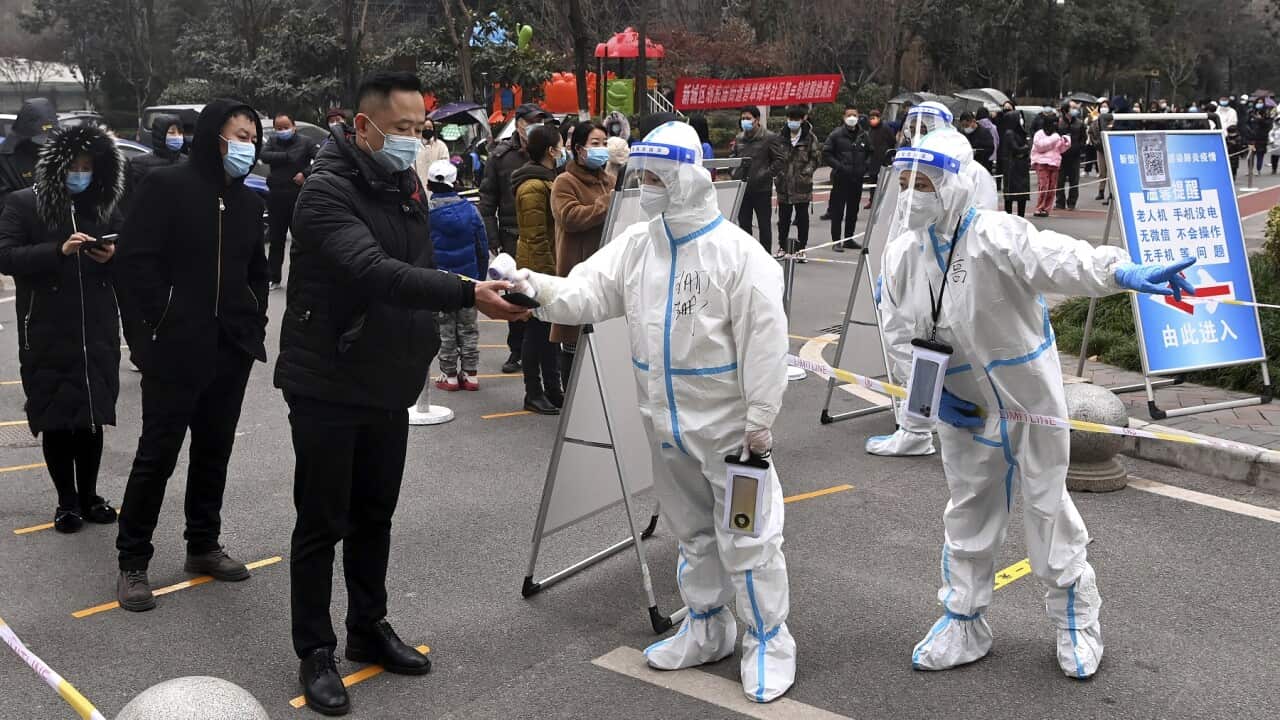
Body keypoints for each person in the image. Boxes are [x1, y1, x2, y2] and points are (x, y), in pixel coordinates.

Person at [879, 132, 1196, 680]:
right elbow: (898, 332)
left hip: (1029, 401)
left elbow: (1058, 257)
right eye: (905, 184)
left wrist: (1122, 272)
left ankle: (1076, 621)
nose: (913, 195)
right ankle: (963, 619)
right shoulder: (905, 251)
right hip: (965, 407)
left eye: (924, 183)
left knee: (1048, 510)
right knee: (968, 511)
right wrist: (926, 397)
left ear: (954, 185)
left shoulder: (992, 235)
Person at [503, 120, 795, 703]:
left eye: (661, 175)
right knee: (690, 532)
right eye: (644, 174)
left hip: (731, 433)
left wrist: (760, 423)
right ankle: (708, 625)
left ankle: (768, 638)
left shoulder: (740, 256)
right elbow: (589, 290)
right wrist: (532, 286)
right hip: (664, 424)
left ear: (691, 177)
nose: (650, 186)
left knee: (748, 536)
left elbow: (766, 342)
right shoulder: (641, 244)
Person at [276, 71, 528, 716]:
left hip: (387, 377)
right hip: (329, 380)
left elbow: (415, 270)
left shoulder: (404, 185)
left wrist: (476, 280)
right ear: (363, 126)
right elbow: (373, 270)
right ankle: (315, 649)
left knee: (374, 515)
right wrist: (467, 292)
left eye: (422, 130)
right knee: (321, 522)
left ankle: (369, 626)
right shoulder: (325, 193)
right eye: (404, 129)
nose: (415, 140)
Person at [111, 99, 269, 612]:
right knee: (158, 453)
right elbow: (135, 266)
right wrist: (154, 331)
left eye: (252, 137)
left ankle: (203, 543)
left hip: (231, 348)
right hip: (174, 349)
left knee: (214, 450)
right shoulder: (166, 187)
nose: (246, 146)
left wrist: (253, 321)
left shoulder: (248, 201)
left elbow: (256, 272)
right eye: (237, 135)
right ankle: (133, 560)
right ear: (210, 137)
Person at [0, 124, 123, 533]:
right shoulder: (23, 204)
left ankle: (89, 496)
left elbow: (131, 253)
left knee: (91, 416)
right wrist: (59, 250)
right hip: (46, 328)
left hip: (97, 327)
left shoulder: (102, 206)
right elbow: (7, 255)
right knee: (56, 416)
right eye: (73, 166)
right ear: (56, 168)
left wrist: (111, 257)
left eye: (88, 167)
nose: (80, 174)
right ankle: (66, 501)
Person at [480, 102, 549, 375]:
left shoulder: (549, 152)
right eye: (531, 121)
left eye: (540, 121)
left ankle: (544, 350)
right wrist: (492, 237)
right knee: (516, 294)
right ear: (518, 123)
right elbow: (487, 201)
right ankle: (517, 350)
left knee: (544, 291)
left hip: (543, 234)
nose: (536, 126)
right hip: (512, 236)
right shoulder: (500, 157)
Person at [551, 120, 615, 383]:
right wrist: (606, 204)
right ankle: (570, 405)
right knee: (574, 342)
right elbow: (570, 218)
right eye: (595, 144)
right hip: (578, 270)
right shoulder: (564, 182)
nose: (601, 149)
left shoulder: (610, 180)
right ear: (579, 149)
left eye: (604, 144)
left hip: (608, 270)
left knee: (603, 343)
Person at [513, 124, 565, 415]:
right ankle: (533, 392)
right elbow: (536, 237)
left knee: (548, 332)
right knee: (536, 332)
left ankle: (553, 388)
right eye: (560, 145)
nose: (562, 150)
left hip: (546, 268)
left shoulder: (545, 179)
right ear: (550, 150)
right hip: (537, 270)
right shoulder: (533, 185)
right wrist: (548, 276)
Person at [425, 159, 488, 392]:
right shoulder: (471, 212)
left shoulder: (425, 213)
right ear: (456, 183)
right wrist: (480, 279)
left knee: (445, 329)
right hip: (468, 280)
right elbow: (482, 247)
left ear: (429, 186)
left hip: (438, 282)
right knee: (469, 327)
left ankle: (449, 375)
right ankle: (470, 374)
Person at [260, 114, 318, 290]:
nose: (282, 131)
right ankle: (273, 277)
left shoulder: (306, 142)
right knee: (276, 239)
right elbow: (264, 155)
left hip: (298, 196)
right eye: (279, 128)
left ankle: (302, 278)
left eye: (285, 127)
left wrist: (305, 173)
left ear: (293, 127)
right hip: (276, 196)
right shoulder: (272, 141)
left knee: (300, 240)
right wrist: (286, 157)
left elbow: (321, 159)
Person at [731, 106, 784, 254]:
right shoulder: (739, 138)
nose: (745, 121)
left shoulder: (769, 137)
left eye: (748, 118)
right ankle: (747, 256)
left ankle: (766, 255)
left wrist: (765, 174)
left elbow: (779, 160)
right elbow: (733, 157)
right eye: (742, 119)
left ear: (757, 119)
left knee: (764, 225)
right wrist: (734, 172)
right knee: (744, 225)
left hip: (762, 189)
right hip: (743, 189)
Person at [774, 105, 821, 261]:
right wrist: (778, 172)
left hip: (802, 184)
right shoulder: (780, 137)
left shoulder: (810, 138)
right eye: (790, 119)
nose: (792, 122)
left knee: (802, 217)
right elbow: (774, 157)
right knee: (784, 218)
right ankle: (782, 246)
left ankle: (801, 249)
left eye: (796, 119)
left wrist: (805, 173)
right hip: (783, 184)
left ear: (803, 119)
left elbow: (816, 159)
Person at [823, 105, 871, 252]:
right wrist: (839, 166)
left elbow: (871, 152)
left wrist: (865, 167)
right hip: (841, 178)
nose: (852, 118)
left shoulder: (863, 135)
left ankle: (848, 239)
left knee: (853, 211)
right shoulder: (836, 135)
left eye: (854, 115)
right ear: (844, 118)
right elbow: (826, 153)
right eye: (849, 115)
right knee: (838, 211)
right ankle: (836, 241)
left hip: (857, 179)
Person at [0, 97, 58, 207]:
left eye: (48, 133)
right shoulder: (6, 158)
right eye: (39, 133)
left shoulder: (55, 153)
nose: (44, 138)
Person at [123, 113, 186, 214]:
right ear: (160, 134)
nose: (177, 137)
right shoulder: (141, 163)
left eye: (180, 133)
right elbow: (133, 199)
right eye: (172, 132)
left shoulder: (186, 162)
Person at [1031, 113, 1069, 217]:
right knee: (1043, 186)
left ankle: (1046, 209)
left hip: (1054, 163)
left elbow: (1060, 150)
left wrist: (1065, 142)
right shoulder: (1039, 133)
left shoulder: (1057, 134)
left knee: (1052, 188)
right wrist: (1054, 139)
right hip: (1041, 163)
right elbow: (1039, 147)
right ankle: (1039, 207)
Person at [999, 107, 1031, 216]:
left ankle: (1021, 216)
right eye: (1019, 118)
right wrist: (1026, 148)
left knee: (1021, 195)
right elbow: (1016, 149)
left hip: (1020, 167)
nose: (1021, 120)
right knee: (1012, 194)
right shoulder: (1009, 133)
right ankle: (1009, 216)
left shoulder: (1020, 132)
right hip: (1013, 168)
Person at [1055, 103, 1086, 210]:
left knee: (1074, 180)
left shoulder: (1079, 123)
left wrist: (1079, 148)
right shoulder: (1059, 122)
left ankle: (1072, 203)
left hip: (1075, 156)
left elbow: (1083, 138)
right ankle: (1060, 202)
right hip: (1061, 156)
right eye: (1072, 108)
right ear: (1065, 110)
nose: (1074, 110)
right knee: (1060, 180)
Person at [865, 109, 897, 208]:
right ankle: (872, 200)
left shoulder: (885, 128)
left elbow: (892, 140)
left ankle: (883, 201)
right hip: (873, 158)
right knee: (872, 180)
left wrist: (887, 151)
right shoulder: (870, 129)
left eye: (874, 117)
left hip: (884, 158)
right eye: (871, 118)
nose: (872, 120)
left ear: (879, 118)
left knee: (884, 180)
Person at [413, 117, 451, 192]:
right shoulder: (414, 145)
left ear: (433, 129)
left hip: (436, 185)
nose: (427, 129)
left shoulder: (441, 146)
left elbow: (445, 164)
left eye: (430, 127)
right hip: (418, 185)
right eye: (425, 127)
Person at [1245, 100, 1273, 174]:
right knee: (1251, 155)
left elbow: (1269, 125)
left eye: (1261, 103)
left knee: (1260, 155)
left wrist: (1260, 119)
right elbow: (1247, 123)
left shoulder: (1266, 114)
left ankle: (1258, 170)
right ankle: (1250, 171)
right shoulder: (1251, 113)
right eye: (1258, 102)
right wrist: (1249, 131)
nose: (1259, 104)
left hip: (1262, 139)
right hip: (1252, 138)